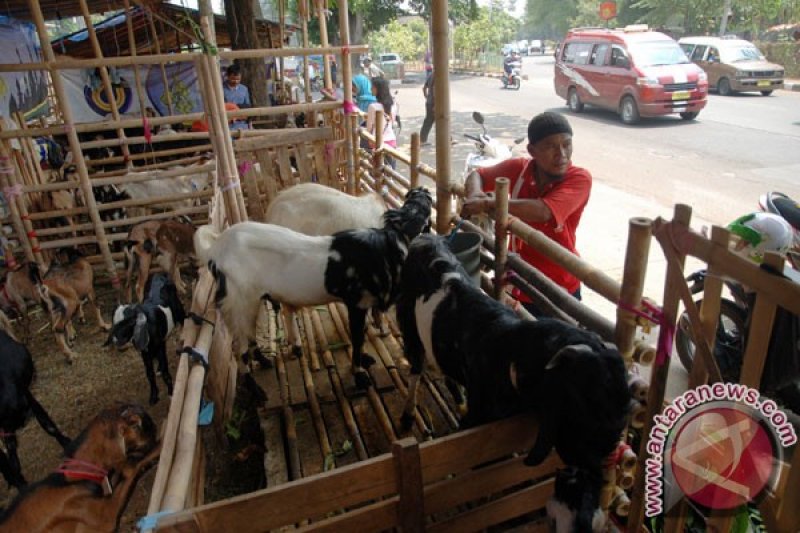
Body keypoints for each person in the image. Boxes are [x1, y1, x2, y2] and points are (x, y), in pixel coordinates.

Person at [460, 111, 591, 316]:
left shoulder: (579, 178)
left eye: (566, 144)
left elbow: (543, 211)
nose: (562, 154)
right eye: (550, 146)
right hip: (517, 280)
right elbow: (477, 174)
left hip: (558, 287)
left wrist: (487, 203)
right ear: (532, 150)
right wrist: (475, 194)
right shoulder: (519, 168)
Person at [366, 77, 397, 169]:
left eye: (372, 87)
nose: (370, 89)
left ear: (377, 89)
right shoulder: (393, 104)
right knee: (390, 173)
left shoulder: (373, 107)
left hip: (377, 143)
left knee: (378, 174)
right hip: (391, 141)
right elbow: (392, 122)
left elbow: (369, 129)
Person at [223, 63, 251, 130]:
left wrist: (249, 124)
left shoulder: (244, 89)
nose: (236, 81)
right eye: (233, 79)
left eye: (238, 79)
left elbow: (248, 107)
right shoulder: (221, 89)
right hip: (227, 125)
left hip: (243, 124)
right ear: (228, 76)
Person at [419, 69, 435, 146]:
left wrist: (427, 96)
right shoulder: (438, 76)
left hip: (429, 102)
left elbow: (424, 88)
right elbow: (435, 91)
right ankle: (422, 140)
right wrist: (435, 105)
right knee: (440, 120)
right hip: (434, 103)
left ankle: (422, 139)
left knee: (428, 121)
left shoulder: (431, 75)